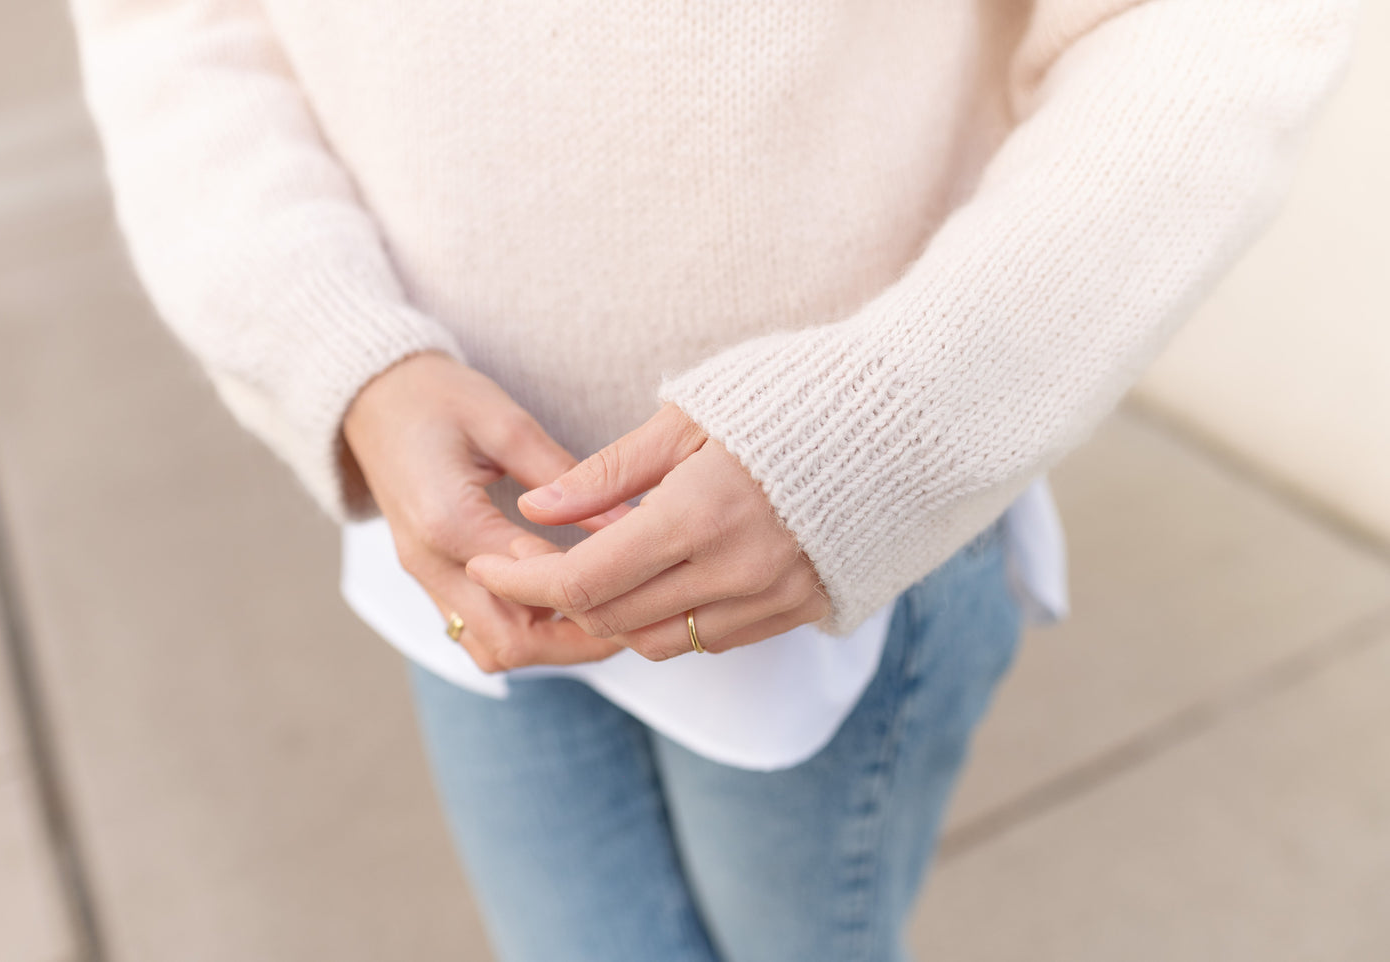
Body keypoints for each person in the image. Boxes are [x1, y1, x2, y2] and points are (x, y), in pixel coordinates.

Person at [68, 1, 1356, 959]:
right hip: (450, 534)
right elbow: (174, 29)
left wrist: (881, 431)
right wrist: (343, 357)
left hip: (827, 556)